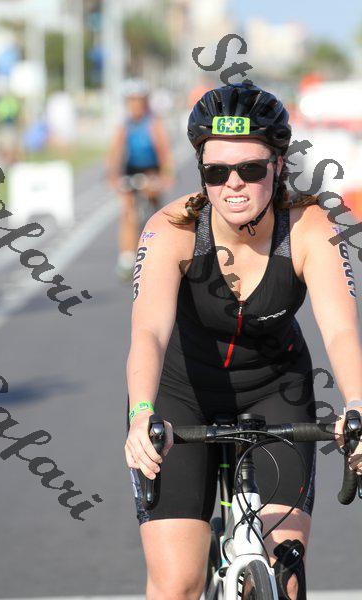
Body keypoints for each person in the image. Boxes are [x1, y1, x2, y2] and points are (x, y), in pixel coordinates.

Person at [124, 82, 362, 600]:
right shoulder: (173, 228)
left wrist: (357, 404)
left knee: (286, 575)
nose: (233, 184)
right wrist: (142, 412)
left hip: (275, 390)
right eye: (216, 172)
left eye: (250, 169)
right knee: (176, 584)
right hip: (182, 393)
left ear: (278, 166)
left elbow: (341, 329)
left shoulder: (309, 227)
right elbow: (148, 330)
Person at [106, 78, 174, 281]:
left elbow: (164, 151)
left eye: (138, 101)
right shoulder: (125, 125)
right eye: (131, 101)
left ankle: (160, 249)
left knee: (155, 206)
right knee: (127, 210)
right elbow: (115, 152)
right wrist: (113, 176)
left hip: (151, 169)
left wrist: (166, 175)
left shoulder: (153, 123)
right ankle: (127, 257)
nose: (135, 105)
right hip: (131, 168)